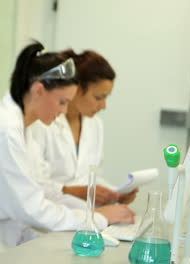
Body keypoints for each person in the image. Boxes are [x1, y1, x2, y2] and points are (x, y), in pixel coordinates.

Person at [0, 42, 135, 257]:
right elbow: (31, 208)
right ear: (39, 90)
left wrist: (93, 211)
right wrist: (97, 217)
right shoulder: (4, 129)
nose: (64, 111)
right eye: (62, 102)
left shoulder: (24, 128)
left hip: (5, 231)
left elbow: (43, 189)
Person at [29, 49, 138, 206]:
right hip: (49, 215)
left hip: (83, 213)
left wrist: (115, 194)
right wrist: (76, 192)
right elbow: (35, 184)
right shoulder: (42, 123)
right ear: (77, 89)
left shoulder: (95, 125)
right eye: (98, 97)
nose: (103, 106)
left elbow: (91, 177)